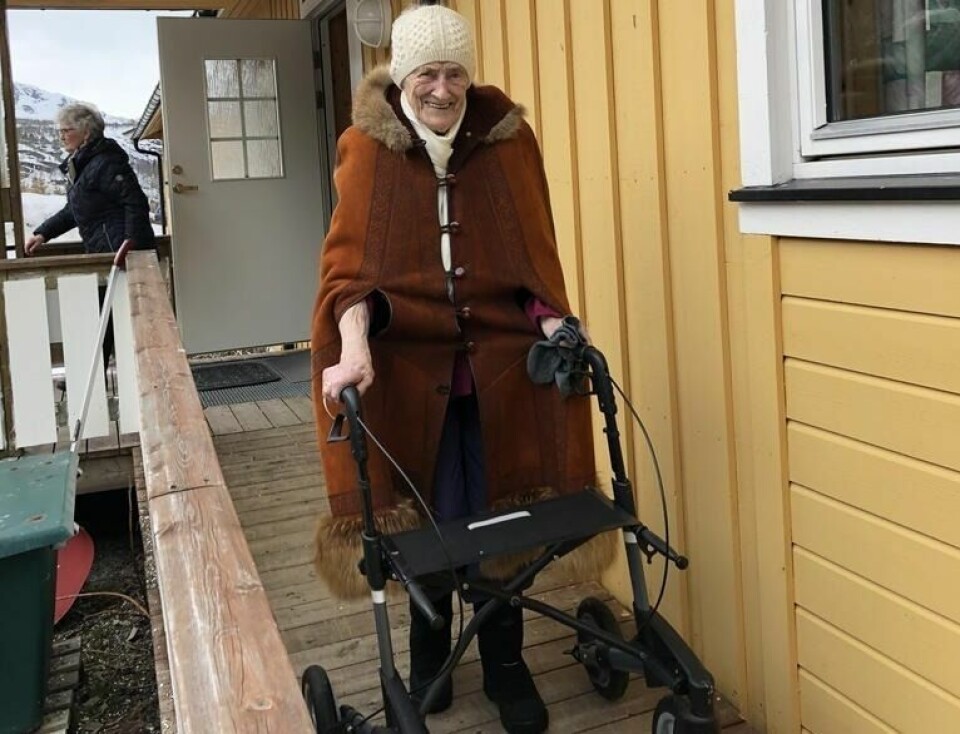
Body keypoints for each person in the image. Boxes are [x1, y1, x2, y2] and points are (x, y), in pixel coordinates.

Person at [311, 6, 614, 733]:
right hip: (409, 379)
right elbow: (347, 276)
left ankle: (506, 661)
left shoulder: (510, 143)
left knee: (506, 515)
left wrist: (555, 321)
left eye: (454, 73)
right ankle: (429, 655)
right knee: (427, 516)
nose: (441, 90)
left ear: (468, 77)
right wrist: (353, 347)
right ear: (403, 78)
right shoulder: (366, 149)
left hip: (501, 376)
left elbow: (531, 261)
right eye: (426, 74)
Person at [25, 102, 154, 256]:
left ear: (86, 133)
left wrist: (130, 246)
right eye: (60, 131)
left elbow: (135, 202)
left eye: (66, 131)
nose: (61, 137)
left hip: (121, 253)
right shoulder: (84, 165)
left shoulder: (107, 162)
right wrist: (43, 233)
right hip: (108, 251)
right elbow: (75, 210)